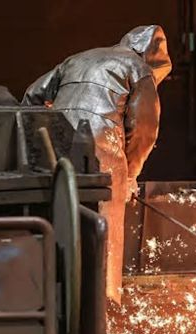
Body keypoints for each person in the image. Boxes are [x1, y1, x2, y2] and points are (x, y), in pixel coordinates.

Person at [23, 25, 172, 303]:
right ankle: (101, 311)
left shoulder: (78, 58)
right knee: (103, 236)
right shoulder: (139, 68)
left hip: (57, 151)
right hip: (104, 155)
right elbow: (144, 131)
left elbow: (32, 95)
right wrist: (130, 175)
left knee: (57, 223)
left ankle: (49, 304)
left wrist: (37, 141)